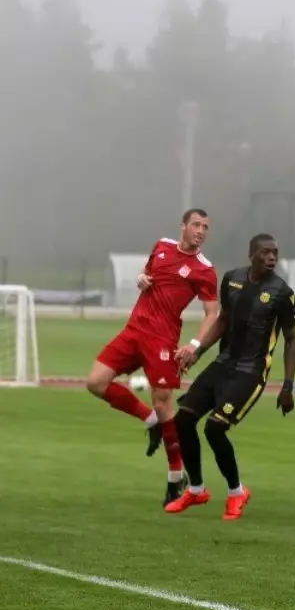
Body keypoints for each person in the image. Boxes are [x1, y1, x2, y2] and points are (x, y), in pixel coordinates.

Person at [85, 208, 220, 506]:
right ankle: (149, 420)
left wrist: (195, 345)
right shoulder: (161, 246)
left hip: (162, 338)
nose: (201, 231)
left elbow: (213, 312)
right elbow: (147, 275)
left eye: (206, 227)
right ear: (182, 226)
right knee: (95, 382)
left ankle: (175, 478)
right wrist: (142, 278)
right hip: (133, 330)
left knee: (163, 401)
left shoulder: (204, 270)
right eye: (196, 225)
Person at [167, 234, 295, 520]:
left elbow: (291, 339)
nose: (272, 258)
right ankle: (197, 490)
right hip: (223, 364)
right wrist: (197, 351)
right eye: (266, 253)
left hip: (251, 372)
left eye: (275, 253)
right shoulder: (232, 279)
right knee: (183, 421)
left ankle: (236, 493)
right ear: (251, 254)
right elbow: (222, 321)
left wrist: (288, 386)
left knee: (215, 428)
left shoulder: (282, 292)